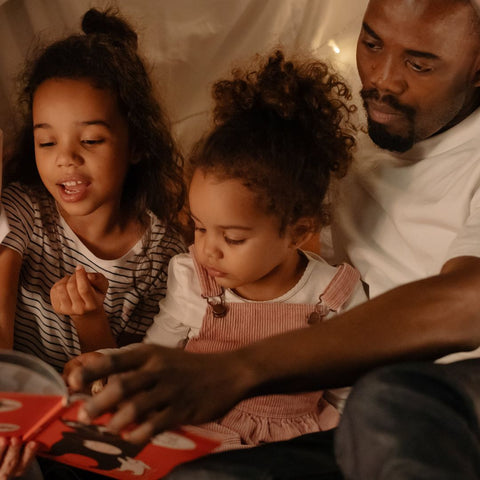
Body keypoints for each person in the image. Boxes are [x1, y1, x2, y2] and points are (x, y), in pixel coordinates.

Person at [67, 0, 480, 478]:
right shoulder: (340, 129)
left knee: (383, 402)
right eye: (371, 43)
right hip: (331, 397)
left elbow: (468, 303)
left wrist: (240, 368)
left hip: (437, 402)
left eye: (419, 63)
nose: (383, 80)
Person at [71, 50, 367, 451]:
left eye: (233, 238)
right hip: (194, 432)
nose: (207, 249)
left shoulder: (334, 297)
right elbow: (157, 352)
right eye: (199, 226)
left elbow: (348, 398)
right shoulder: (194, 279)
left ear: (297, 232)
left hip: (286, 449)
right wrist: (107, 361)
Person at [0, 7, 186, 479]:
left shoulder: (162, 256)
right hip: (13, 412)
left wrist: (89, 320)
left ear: (137, 145)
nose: (66, 159)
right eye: (47, 143)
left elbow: (121, 386)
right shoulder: (23, 210)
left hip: (87, 432)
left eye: (92, 140)